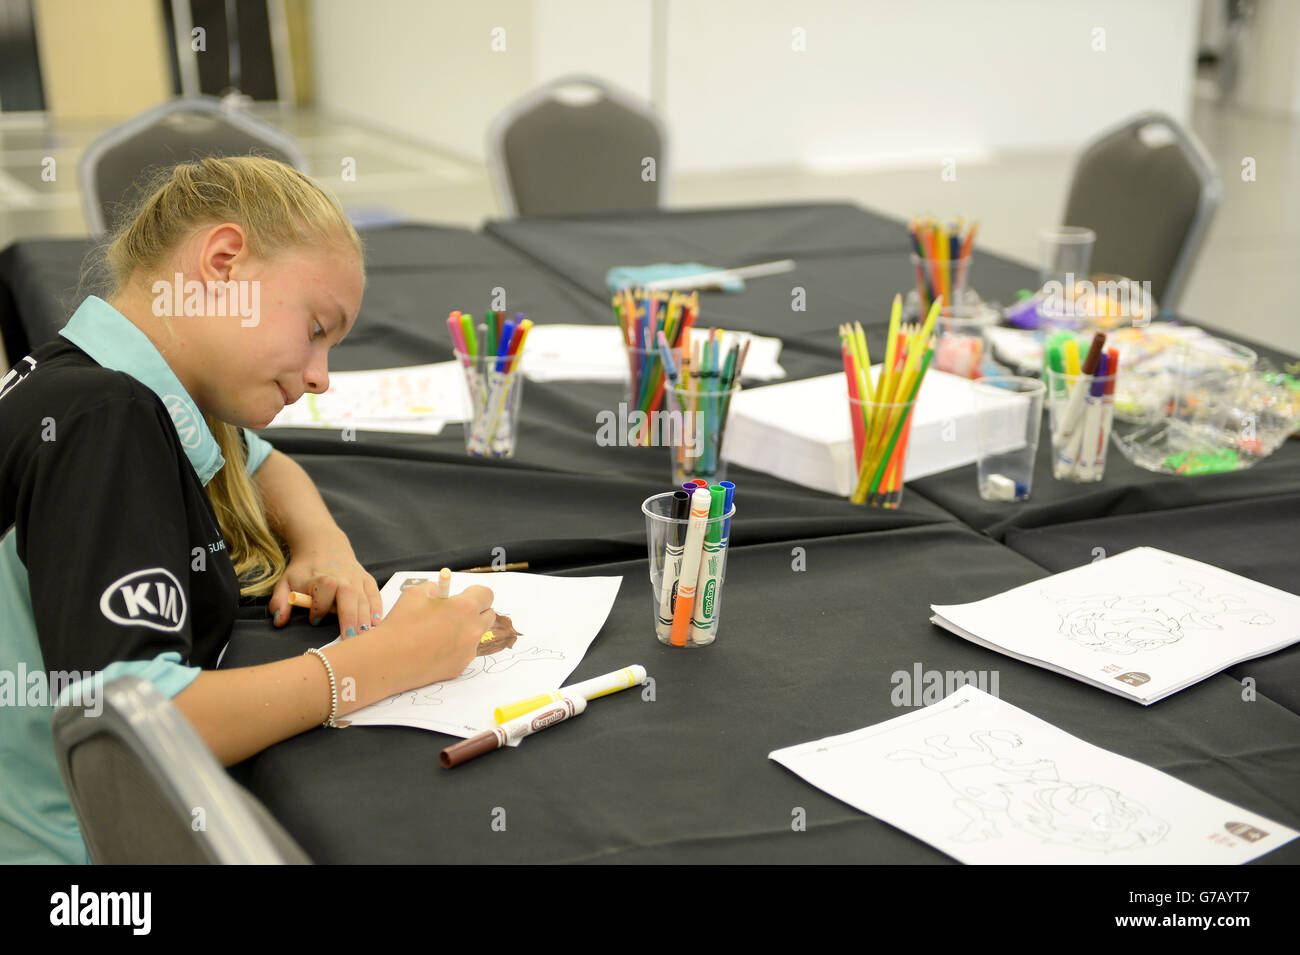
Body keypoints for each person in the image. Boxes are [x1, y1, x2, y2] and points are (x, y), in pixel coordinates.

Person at [0, 156, 493, 864]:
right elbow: (132, 721)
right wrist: (379, 662)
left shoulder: (92, 378)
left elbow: (264, 462)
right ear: (224, 262)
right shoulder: (105, 423)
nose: (321, 375)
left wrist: (321, 541)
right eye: (317, 327)